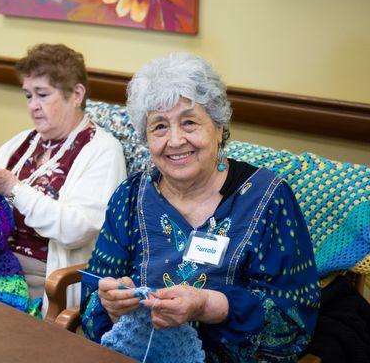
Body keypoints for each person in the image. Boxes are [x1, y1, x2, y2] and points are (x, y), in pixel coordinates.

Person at [80, 53, 320, 361]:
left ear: (219, 129)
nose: (175, 140)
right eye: (160, 127)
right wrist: (112, 308)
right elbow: (92, 304)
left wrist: (208, 305)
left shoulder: (268, 198)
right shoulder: (129, 198)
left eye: (190, 122)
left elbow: (293, 322)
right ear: (146, 138)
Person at [0, 44, 126, 310]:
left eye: (42, 95)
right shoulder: (20, 143)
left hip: (41, 274)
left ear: (76, 94)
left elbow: (78, 230)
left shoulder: (103, 151)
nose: (33, 107)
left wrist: (12, 188)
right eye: (28, 96)